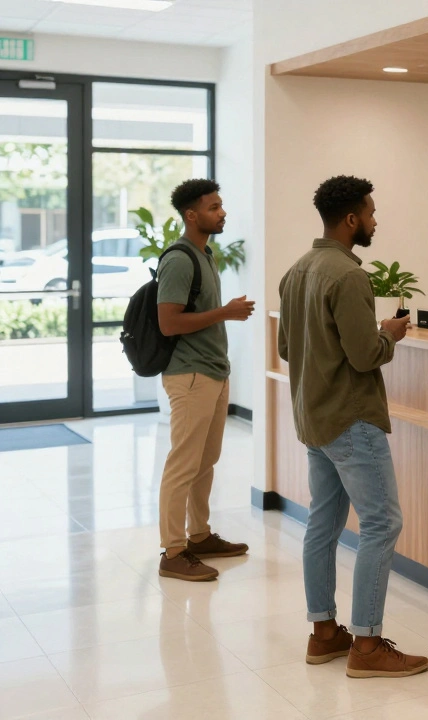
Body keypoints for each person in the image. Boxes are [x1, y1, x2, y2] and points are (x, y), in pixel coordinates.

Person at [278, 175, 428, 679]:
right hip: (352, 418)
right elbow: (365, 356)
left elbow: (285, 348)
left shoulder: (297, 271)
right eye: (370, 212)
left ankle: (324, 634)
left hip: (315, 418)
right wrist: (389, 334)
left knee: (323, 523)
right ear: (351, 219)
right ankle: (366, 644)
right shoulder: (347, 276)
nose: (374, 220)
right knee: (382, 523)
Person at [155, 179, 254, 582]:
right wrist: (224, 313)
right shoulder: (180, 259)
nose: (222, 212)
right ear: (191, 215)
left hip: (212, 371)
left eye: (221, 206)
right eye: (214, 207)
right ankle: (173, 550)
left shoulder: (206, 253)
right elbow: (168, 323)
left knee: (205, 462)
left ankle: (198, 536)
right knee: (183, 463)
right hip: (190, 375)